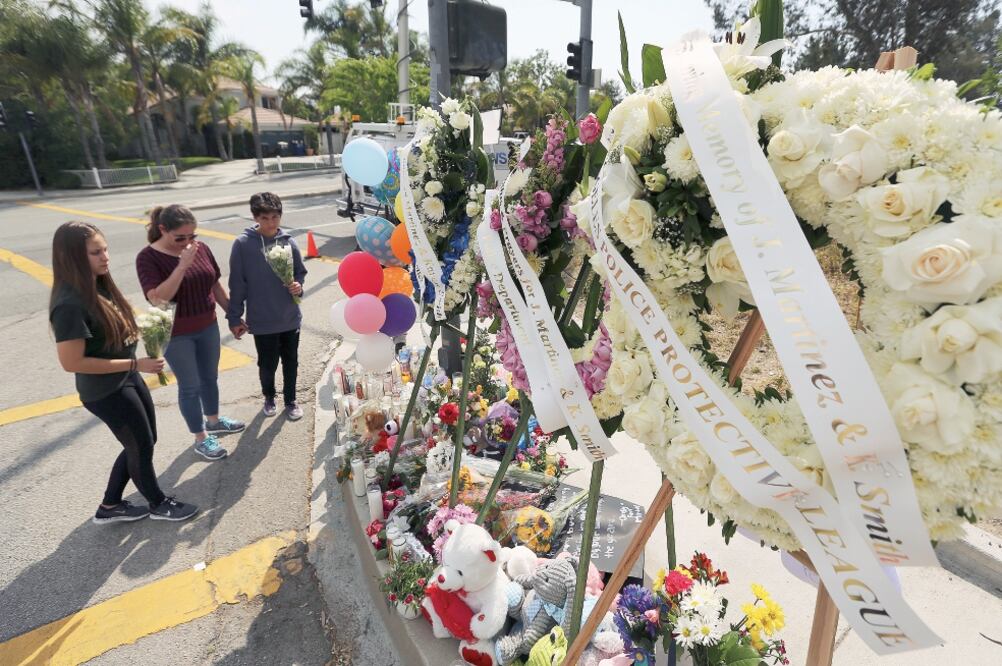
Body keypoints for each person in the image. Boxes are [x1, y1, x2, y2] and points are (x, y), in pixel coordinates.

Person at [49, 221, 197, 524]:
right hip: (105, 390)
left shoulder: (99, 284)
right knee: (140, 445)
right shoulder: (68, 304)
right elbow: (72, 362)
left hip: (127, 378)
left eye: (105, 249)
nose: (105, 257)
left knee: (144, 441)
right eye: (95, 252)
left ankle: (110, 506)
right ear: (72, 257)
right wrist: (134, 364)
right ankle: (158, 504)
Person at [137, 204, 245, 462]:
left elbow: (215, 285)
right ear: (162, 229)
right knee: (190, 386)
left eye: (192, 236)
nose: (187, 242)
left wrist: (232, 315)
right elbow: (158, 299)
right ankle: (200, 438)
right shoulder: (148, 257)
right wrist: (182, 265)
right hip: (176, 333)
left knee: (209, 378)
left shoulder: (202, 248)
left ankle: (214, 421)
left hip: (207, 325)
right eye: (180, 238)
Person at [227, 192, 307, 419]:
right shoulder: (243, 245)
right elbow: (237, 284)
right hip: (262, 320)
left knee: (291, 361)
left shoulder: (289, 241)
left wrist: (298, 287)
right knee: (267, 364)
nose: (271, 223)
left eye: (275, 217)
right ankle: (269, 396)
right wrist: (234, 317)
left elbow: (300, 273)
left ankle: (291, 400)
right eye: (265, 218)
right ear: (255, 218)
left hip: (290, 316)